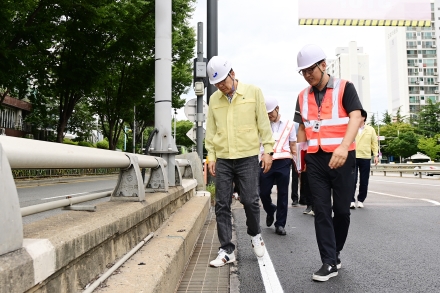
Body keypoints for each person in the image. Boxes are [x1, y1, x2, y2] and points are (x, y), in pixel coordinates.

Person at [294, 44, 364, 282]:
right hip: (315, 159)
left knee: (342, 212)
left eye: (310, 70)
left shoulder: (345, 87)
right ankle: (328, 262)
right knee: (321, 211)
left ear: (323, 65)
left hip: (343, 157)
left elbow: (357, 116)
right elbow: (302, 128)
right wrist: (299, 162)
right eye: (302, 71)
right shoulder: (302, 96)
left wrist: (344, 146)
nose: (306, 75)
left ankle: (335, 252)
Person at [205, 56, 275, 268]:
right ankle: (227, 250)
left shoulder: (253, 93)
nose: (221, 87)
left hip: (247, 156)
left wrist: (268, 150)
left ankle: (255, 234)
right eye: (216, 84)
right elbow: (211, 131)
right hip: (224, 158)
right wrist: (211, 156)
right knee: (222, 204)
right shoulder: (214, 100)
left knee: (251, 201)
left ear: (232, 74)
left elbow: (263, 123)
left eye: (223, 82)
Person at [259, 97, 297, 236]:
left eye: (271, 113)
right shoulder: (263, 124)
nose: (269, 115)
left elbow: (293, 144)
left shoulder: (289, 124)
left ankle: (280, 224)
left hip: (283, 162)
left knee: (283, 193)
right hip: (265, 160)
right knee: (263, 192)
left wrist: (296, 161)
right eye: (267, 113)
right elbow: (258, 144)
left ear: (277, 109)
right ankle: (270, 210)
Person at [351, 109, 379, 209]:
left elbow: (374, 143)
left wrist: (376, 155)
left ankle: (361, 199)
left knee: (364, 180)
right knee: (352, 180)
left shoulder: (370, 129)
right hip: (353, 156)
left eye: (359, 116)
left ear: (363, 117)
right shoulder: (351, 128)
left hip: (366, 157)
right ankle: (351, 200)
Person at [291, 122, 301, 206]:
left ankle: (303, 198)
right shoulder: (294, 125)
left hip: (302, 152)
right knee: (295, 177)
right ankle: (295, 198)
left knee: (304, 177)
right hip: (294, 154)